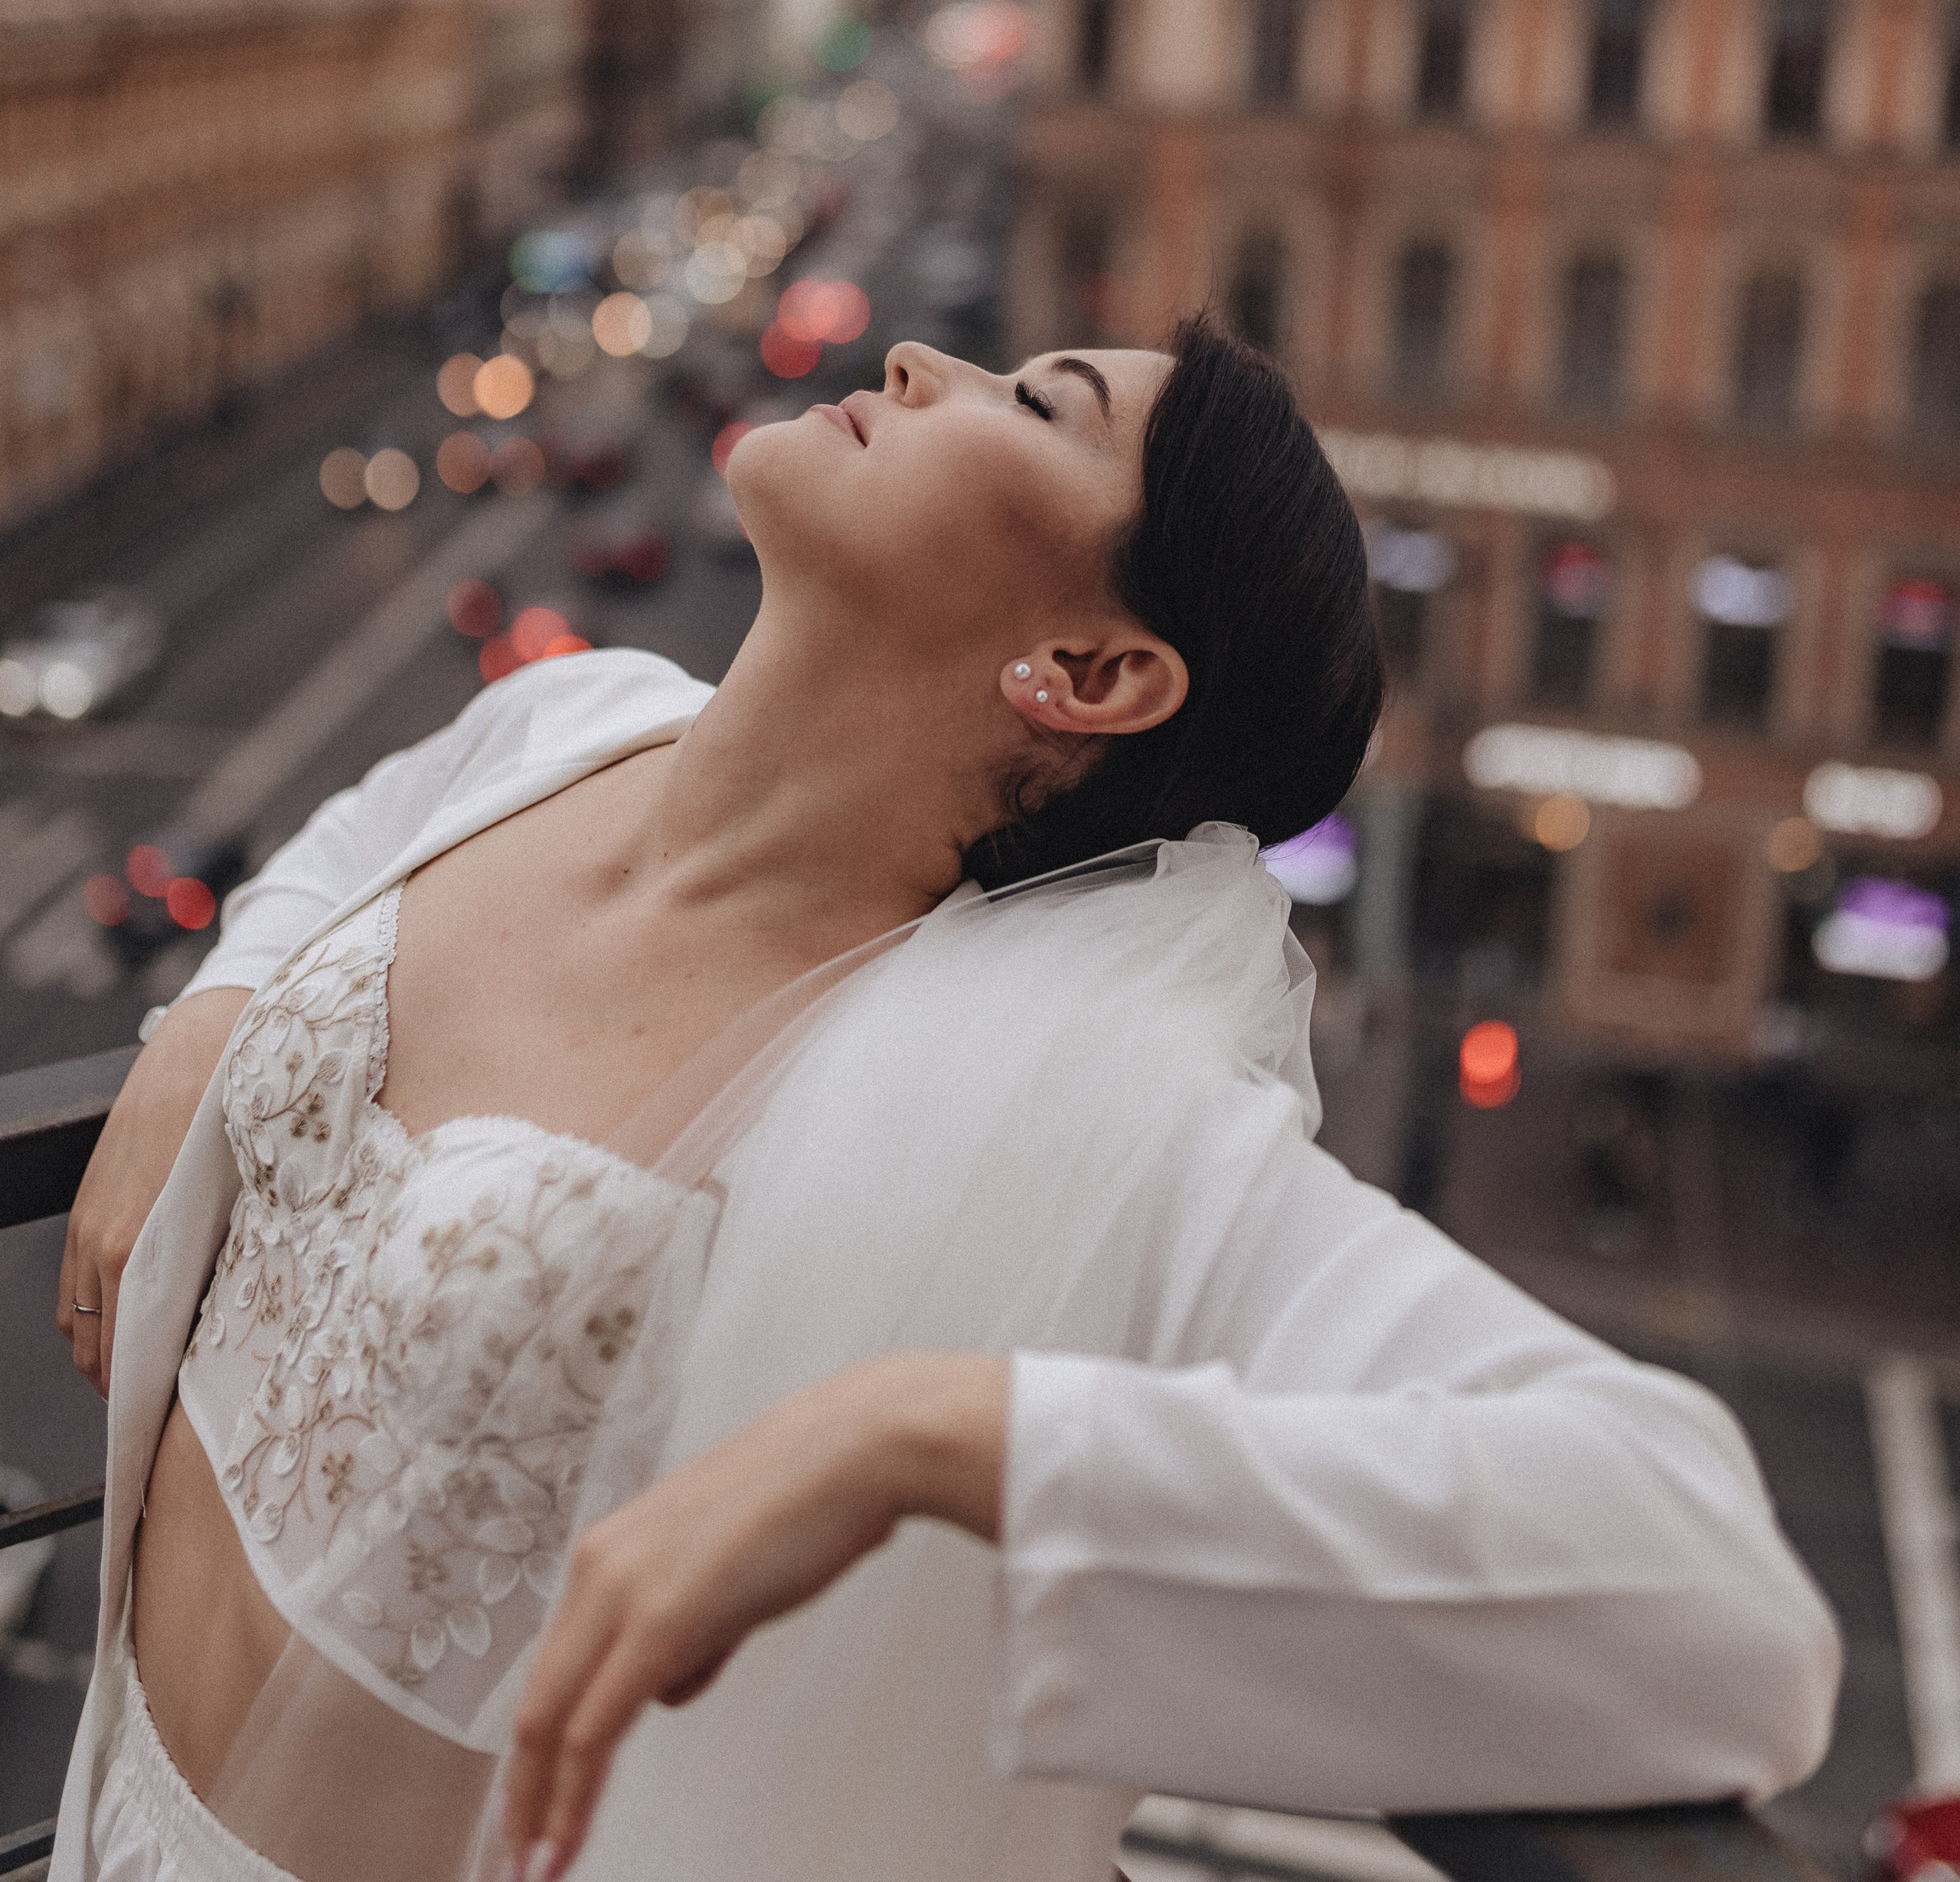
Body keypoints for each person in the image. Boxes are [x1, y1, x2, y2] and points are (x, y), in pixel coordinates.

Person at [52, 323, 1840, 1882]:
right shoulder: (577, 716)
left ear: (1086, 672)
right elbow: (371, 824)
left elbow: (1705, 1609)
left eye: (1035, 404)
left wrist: (924, 1435)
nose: (918, 360)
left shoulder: (1059, 1109)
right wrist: (208, 1018)